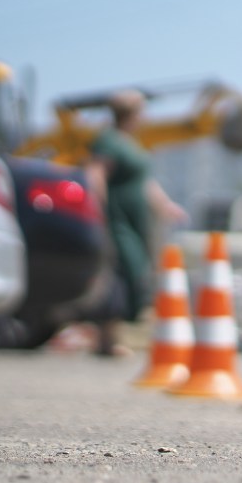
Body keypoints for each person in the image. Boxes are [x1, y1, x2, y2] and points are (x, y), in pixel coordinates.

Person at [84, 89, 186, 356]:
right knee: (123, 270)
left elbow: (144, 183)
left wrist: (165, 206)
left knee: (135, 269)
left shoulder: (130, 143)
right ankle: (108, 339)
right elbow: (95, 175)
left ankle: (111, 339)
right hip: (117, 220)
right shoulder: (109, 141)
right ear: (133, 113)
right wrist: (99, 212)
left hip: (134, 221)